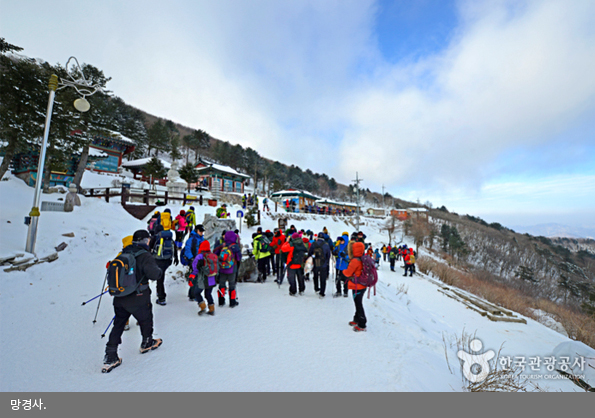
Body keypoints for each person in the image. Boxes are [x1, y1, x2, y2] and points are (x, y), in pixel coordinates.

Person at [102, 229, 163, 373]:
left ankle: (110, 356)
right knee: (146, 319)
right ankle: (147, 342)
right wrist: (159, 271)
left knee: (118, 324)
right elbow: (154, 274)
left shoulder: (124, 253)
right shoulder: (145, 255)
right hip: (138, 297)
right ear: (144, 241)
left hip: (120, 297)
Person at [150, 210, 179, 305]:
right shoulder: (168, 237)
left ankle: (161, 298)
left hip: (158, 260)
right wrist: (176, 258)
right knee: (160, 277)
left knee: (160, 279)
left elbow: (149, 249)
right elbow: (174, 246)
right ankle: (161, 295)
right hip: (168, 260)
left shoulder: (155, 238)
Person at [343, 241, 367, 332]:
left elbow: (348, 273)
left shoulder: (355, 261)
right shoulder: (363, 258)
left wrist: (343, 271)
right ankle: (356, 319)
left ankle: (362, 324)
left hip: (357, 286)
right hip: (363, 285)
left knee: (358, 304)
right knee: (358, 302)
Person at [214, 230, 242, 307]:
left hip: (222, 268)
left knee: (221, 285)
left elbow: (214, 253)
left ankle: (221, 301)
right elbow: (239, 258)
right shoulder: (235, 246)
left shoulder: (222, 245)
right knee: (232, 285)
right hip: (232, 269)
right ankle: (232, 302)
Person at [189, 240, 218, 316]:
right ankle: (211, 309)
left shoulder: (199, 256)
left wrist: (192, 276)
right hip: (212, 278)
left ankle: (203, 307)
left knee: (196, 292)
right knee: (208, 294)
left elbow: (195, 268)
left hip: (203, 279)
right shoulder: (212, 255)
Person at [182, 225, 206, 300]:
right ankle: (192, 295)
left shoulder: (202, 239)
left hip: (200, 261)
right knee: (195, 278)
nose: (202, 233)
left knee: (198, 278)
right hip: (194, 261)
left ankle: (193, 293)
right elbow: (187, 250)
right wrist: (192, 258)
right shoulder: (191, 239)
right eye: (200, 231)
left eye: (202, 231)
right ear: (196, 231)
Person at [308, 232, 331, 298]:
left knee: (315, 276)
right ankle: (322, 292)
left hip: (315, 263)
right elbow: (328, 255)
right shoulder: (326, 245)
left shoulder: (313, 244)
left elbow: (310, 253)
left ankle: (316, 288)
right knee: (322, 278)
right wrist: (326, 262)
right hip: (323, 264)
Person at [333, 233, 350, 297]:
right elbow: (334, 251)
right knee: (337, 279)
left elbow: (350, 257)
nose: (341, 241)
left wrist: (345, 256)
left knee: (345, 280)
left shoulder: (348, 247)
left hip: (345, 266)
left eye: (342, 240)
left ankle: (345, 292)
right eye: (341, 240)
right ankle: (338, 291)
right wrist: (334, 252)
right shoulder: (339, 246)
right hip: (338, 265)